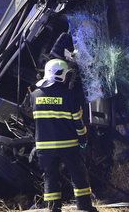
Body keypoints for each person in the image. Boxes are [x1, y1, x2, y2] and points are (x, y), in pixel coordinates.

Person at [29, 59, 96, 212]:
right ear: (62, 75)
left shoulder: (34, 95)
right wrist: (83, 140)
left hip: (44, 148)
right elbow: (78, 122)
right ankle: (84, 207)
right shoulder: (69, 95)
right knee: (78, 175)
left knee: (50, 178)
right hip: (69, 146)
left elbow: (35, 121)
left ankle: (53, 208)